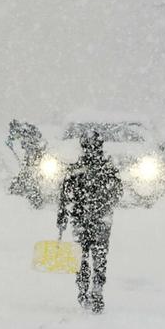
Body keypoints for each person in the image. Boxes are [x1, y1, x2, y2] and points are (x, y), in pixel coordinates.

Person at [56, 129, 124, 313]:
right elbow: (118, 192)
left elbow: (64, 196)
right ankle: (96, 291)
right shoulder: (107, 168)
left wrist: (62, 217)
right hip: (101, 219)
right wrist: (103, 204)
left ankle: (84, 291)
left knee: (82, 258)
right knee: (99, 258)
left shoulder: (77, 168)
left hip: (82, 220)